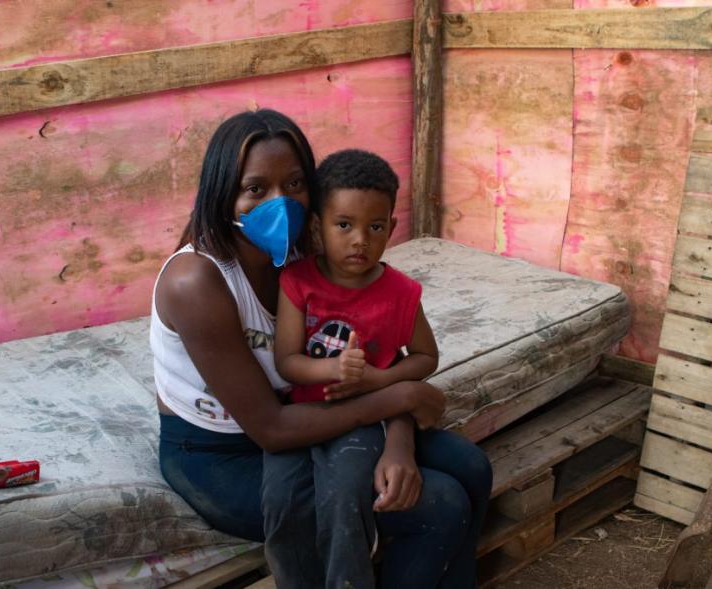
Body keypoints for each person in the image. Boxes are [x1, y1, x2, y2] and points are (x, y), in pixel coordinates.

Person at [151, 108, 491, 588]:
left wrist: (400, 438)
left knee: (472, 467)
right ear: (223, 193)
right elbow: (271, 429)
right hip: (223, 452)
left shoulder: (304, 251)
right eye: (256, 189)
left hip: (313, 413)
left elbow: (377, 354)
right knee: (440, 504)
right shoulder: (197, 282)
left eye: (294, 185)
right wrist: (399, 399)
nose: (280, 202)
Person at [263, 149, 444, 588]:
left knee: (344, 501)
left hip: (360, 423)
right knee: (280, 504)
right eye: (344, 225)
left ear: (391, 229)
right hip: (301, 417)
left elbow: (426, 357)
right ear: (318, 227)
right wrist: (332, 370)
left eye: (375, 227)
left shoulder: (401, 293)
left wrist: (379, 379)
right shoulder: (298, 283)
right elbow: (287, 363)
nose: (360, 239)